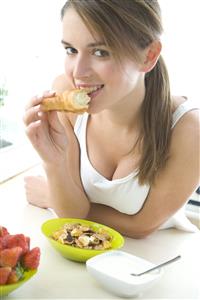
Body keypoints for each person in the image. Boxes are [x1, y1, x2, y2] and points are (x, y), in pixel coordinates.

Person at [23, 0, 200, 238]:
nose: (78, 72)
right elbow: (71, 216)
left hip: (159, 260)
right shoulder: (64, 92)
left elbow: (141, 227)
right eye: (71, 50)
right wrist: (54, 162)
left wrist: (51, 196)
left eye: (100, 52)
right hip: (87, 254)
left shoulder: (189, 130)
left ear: (148, 55)